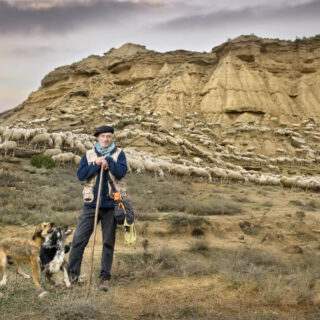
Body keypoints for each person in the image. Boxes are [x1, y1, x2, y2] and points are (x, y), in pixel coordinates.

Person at [68, 125, 127, 291]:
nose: (106, 139)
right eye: (103, 136)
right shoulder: (88, 154)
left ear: (112, 138)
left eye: (109, 136)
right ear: (98, 138)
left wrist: (108, 163)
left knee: (108, 242)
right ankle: (72, 277)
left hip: (111, 205)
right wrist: (96, 163)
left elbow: (121, 172)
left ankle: (104, 278)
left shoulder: (119, 154)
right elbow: (81, 175)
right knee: (78, 240)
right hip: (90, 205)